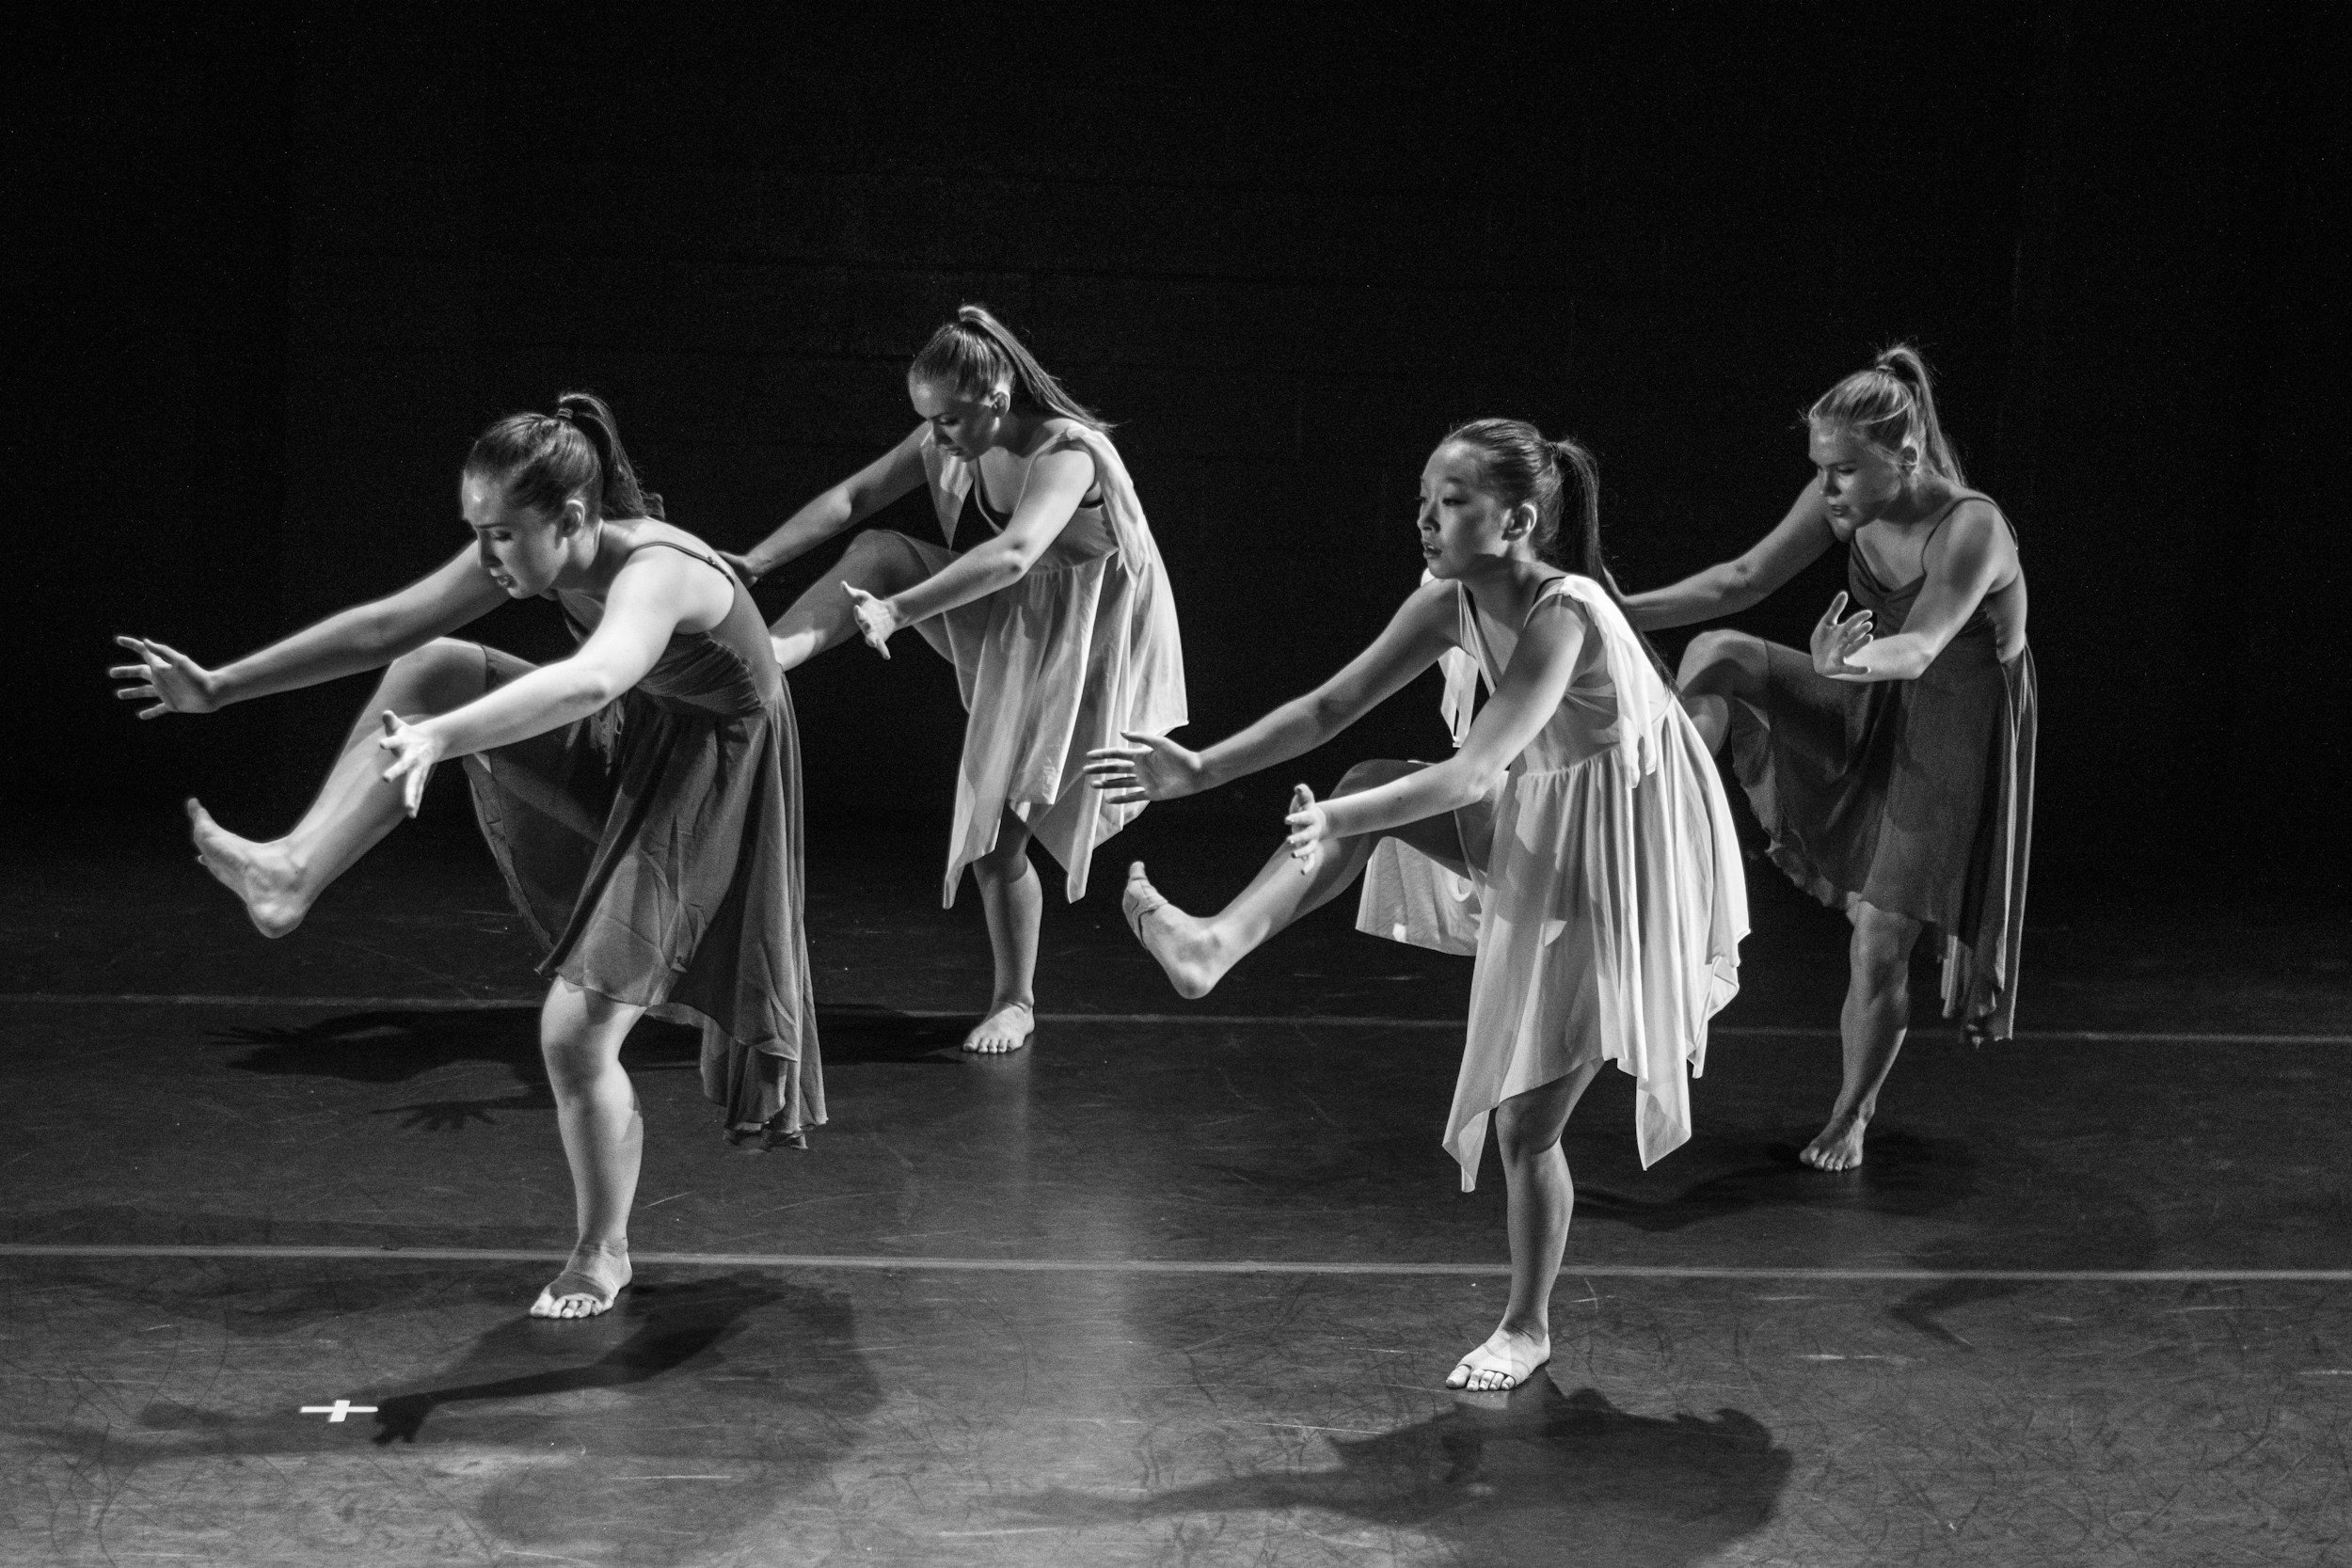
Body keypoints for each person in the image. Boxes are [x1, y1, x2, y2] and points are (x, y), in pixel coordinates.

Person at [110, 392, 822, 1318]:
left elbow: (594, 677)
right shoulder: (530, 546)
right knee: (432, 662)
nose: (486, 557)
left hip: (712, 783)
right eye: (476, 532)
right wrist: (219, 686)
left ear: (572, 517)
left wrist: (443, 738)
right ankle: (291, 872)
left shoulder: (658, 570)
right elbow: (387, 628)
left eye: (500, 536)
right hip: (636, 737)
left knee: (573, 1032)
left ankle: (602, 1250)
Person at [1086, 420, 1745, 1391]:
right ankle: (1214, 944)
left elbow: (1473, 770)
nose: (1427, 520)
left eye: (1452, 502)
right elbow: (1327, 708)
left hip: (1626, 860)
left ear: (1518, 521)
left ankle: (1526, 1326)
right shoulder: (1449, 601)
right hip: (1547, 813)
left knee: (1525, 1125)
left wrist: (1339, 817)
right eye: (1423, 502)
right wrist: (1199, 769)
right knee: (1364, 773)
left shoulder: (1566, 614)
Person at [728, 305, 1185, 1055]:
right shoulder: (956, 436)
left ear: (997, 398)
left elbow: (1015, 552)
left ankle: (1017, 1000)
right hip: (1028, 613)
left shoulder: (1069, 452)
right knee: (879, 547)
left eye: (946, 421)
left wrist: (899, 611)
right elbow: (854, 498)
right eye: (928, 421)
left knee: (997, 840)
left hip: (1096, 643)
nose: (935, 438)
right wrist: (756, 561)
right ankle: (762, 662)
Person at [1621, 345, 2034, 1172]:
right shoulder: (1845, 496)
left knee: (1879, 937)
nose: (1827, 488)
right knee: (1718, 650)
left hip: (1955, 725)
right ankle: (1657, 814)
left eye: (1843, 471)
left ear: (1905, 457)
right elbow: (1742, 578)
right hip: (1866, 688)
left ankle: (1852, 1114)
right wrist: (1617, 606)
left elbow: (1918, 646)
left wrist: (1843, 664)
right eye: (1820, 469)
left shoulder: (1972, 527)